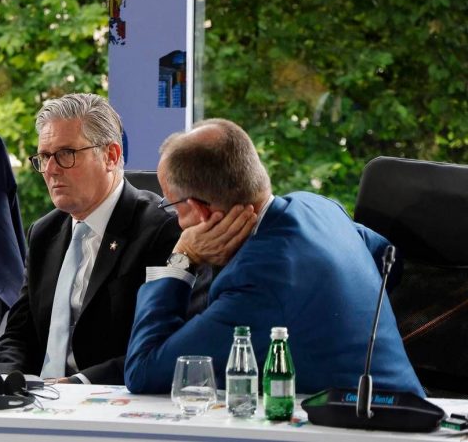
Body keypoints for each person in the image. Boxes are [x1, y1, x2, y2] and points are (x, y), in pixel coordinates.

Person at [124, 118, 424, 396]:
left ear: (200, 211)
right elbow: (388, 260)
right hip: (410, 407)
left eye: (174, 207)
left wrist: (183, 255)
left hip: (358, 423)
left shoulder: (254, 285)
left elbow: (143, 370)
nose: (177, 222)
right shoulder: (317, 207)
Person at [0, 93, 181, 385]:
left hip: (110, 396)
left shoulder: (161, 229)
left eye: (66, 154)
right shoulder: (44, 232)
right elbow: (18, 332)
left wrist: (78, 384)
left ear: (110, 156)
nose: (50, 169)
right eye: (44, 157)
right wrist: (3, 379)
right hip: (40, 398)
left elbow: (163, 343)